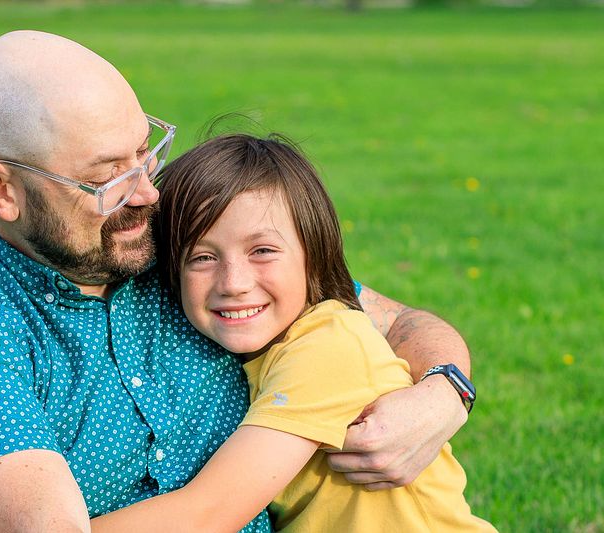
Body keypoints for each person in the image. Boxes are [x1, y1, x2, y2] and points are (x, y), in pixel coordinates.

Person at [0, 30, 474, 532]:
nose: (147, 193)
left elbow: (390, 319)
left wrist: (443, 394)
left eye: (144, 153)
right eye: (107, 177)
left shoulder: (174, 240)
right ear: (2, 190)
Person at [90, 133, 494, 532]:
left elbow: (206, 514)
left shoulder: (327, 347)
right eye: (202, 257)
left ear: (313, 255)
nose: (234, 283)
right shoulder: (268, 346)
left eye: (262, 251)